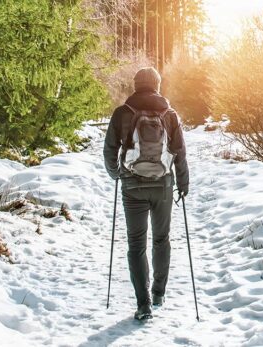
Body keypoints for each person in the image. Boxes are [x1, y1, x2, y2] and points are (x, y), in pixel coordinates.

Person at [103, 67, 190, 321]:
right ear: (157, 85)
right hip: (163, 186)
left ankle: (144, 304)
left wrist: (116, 174)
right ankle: (159, 292)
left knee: (136, 245)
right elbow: (180, 153)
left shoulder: (122, 113)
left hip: (132, 187)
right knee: (162, 239)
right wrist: (183, 184)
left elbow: (109, 150)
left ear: (135, 85)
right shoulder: (170, 115)